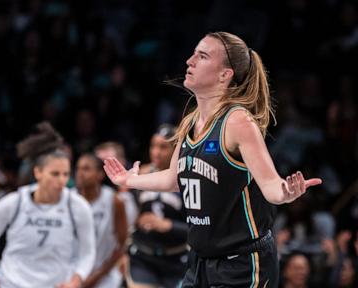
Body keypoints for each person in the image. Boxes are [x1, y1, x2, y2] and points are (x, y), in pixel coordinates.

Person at [103, 31, 322, 287]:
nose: (189, 61)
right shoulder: (190, 121)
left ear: (224, 74)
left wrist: (286, 193)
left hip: (242, 264)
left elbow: (271, 186)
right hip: (200, 262)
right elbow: (175, 177)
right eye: (194, 53)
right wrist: (131, 179)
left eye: (202, 56)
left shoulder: (238, 121)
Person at [0, 122, 95, 288]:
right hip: (11, 282)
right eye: (55, 174)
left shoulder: (77, 206)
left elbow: (88, 252)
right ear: (38, 172)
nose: (61, 180)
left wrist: (76, 279)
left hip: (55, 284)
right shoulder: (13, 202)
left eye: (66, 174)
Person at [127, 124, 188, 288]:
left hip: (177, 258)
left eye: (163, 147)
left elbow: (199, 227)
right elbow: (125, 219)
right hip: (143, 257)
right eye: (153, 146)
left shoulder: (187, 179)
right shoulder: (139, 177)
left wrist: (169, 225)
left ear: (176, 149)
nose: (156, 152)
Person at [75, 153, 128, 288]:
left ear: (100, 174)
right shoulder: (69, 200)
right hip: (73, 272)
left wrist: (97, 276)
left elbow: (122, 244)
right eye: (78, 168)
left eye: (86, 169)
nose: (80, 173)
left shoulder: (114, 200)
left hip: (104, 274)